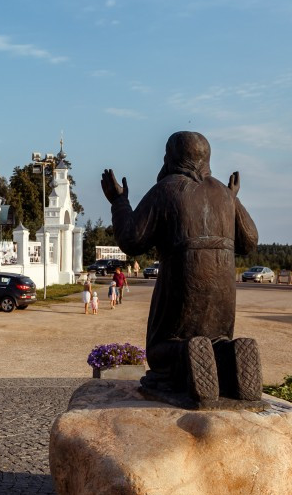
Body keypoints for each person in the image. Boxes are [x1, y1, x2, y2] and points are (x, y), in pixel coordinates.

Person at [102, 131, 260, 403]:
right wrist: (233, 199)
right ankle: (231, 353)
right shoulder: (224, 193)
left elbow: (131, 240)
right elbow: (250, 241)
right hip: (222, 289)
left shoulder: (166, 189)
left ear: (173, 158)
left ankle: (186, 354)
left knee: (161, 348)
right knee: (217, 340)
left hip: (183, 281)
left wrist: (119, 202)